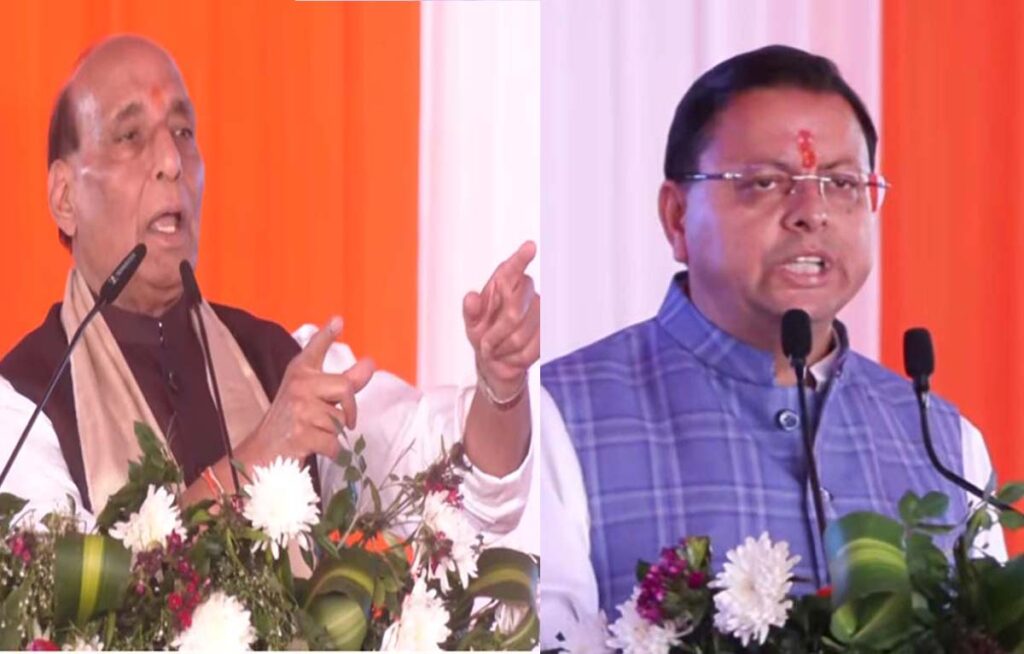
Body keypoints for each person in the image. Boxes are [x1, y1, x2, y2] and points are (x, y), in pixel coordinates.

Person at [539, 45, 1006, 639]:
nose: (812, 213)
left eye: (842, 183)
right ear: (677, 217)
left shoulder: (945, 443)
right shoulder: (555, 422)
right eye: (764, 182)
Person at [0, 35, 538, 546]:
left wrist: (501, 386)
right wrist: (259, 456)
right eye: (130, 136)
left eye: (183, 132)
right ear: (65, 197)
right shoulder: (23, 405)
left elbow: (462, 492)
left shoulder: (277, 363)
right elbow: (66, 593)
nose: (171, 162)